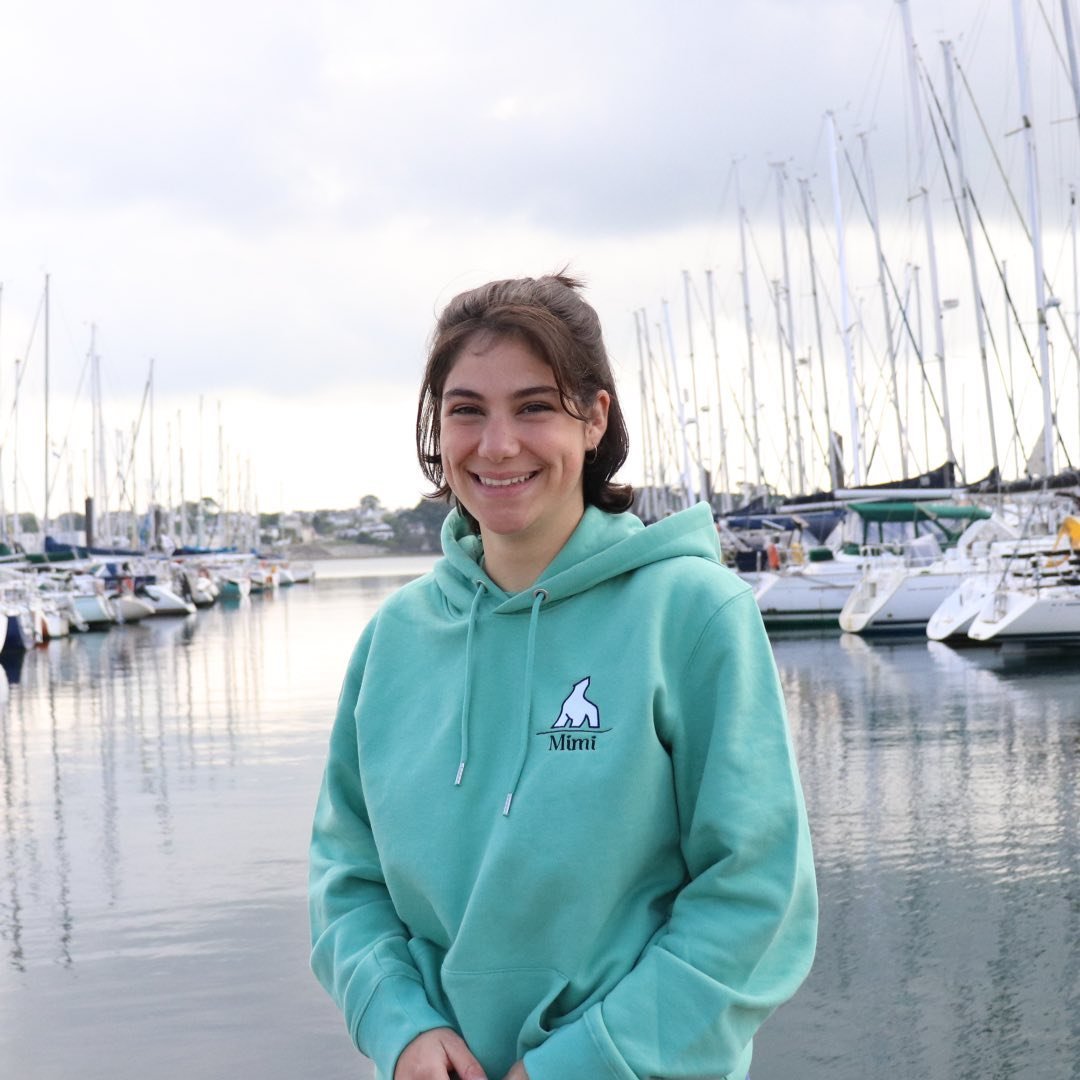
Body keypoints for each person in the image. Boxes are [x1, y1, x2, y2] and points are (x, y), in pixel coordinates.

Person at [309, 272, 818, 1080]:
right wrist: (399, 1026)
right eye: (466, 410)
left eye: (534, 407)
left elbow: (756, 895)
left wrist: (582, 1062)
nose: (497, 445)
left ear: (594, 418)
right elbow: (346, 875)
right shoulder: (392, 640)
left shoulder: (692, 613)